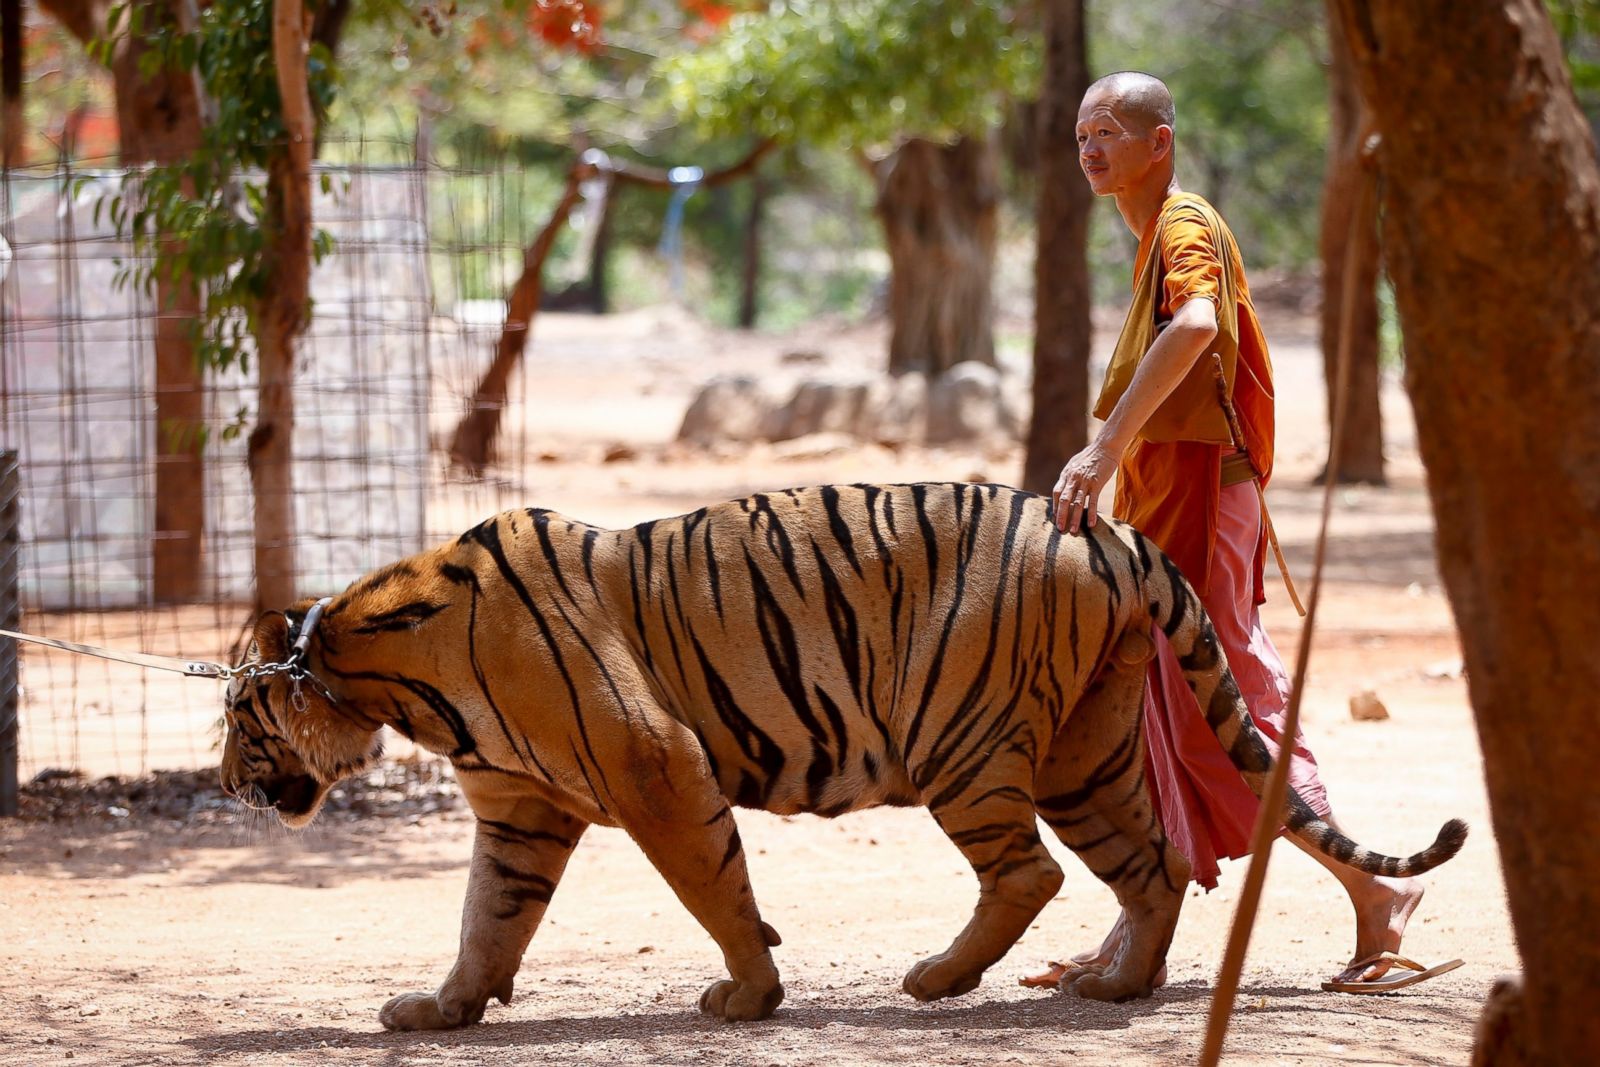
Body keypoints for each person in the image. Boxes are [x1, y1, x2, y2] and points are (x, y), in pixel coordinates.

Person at [1026, 71, 1452, 994]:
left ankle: (1376, 892)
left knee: (1230, 704)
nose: (1091, 148)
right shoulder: (1152, 235)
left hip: (1197, 495)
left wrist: (1104, 445)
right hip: (1170, 497)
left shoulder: (1182, 226)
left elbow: (1199, 323)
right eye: (1079, 135)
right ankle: (1139, 917)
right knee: (1159, 706)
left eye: (1108, 130)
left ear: (1159, 141)